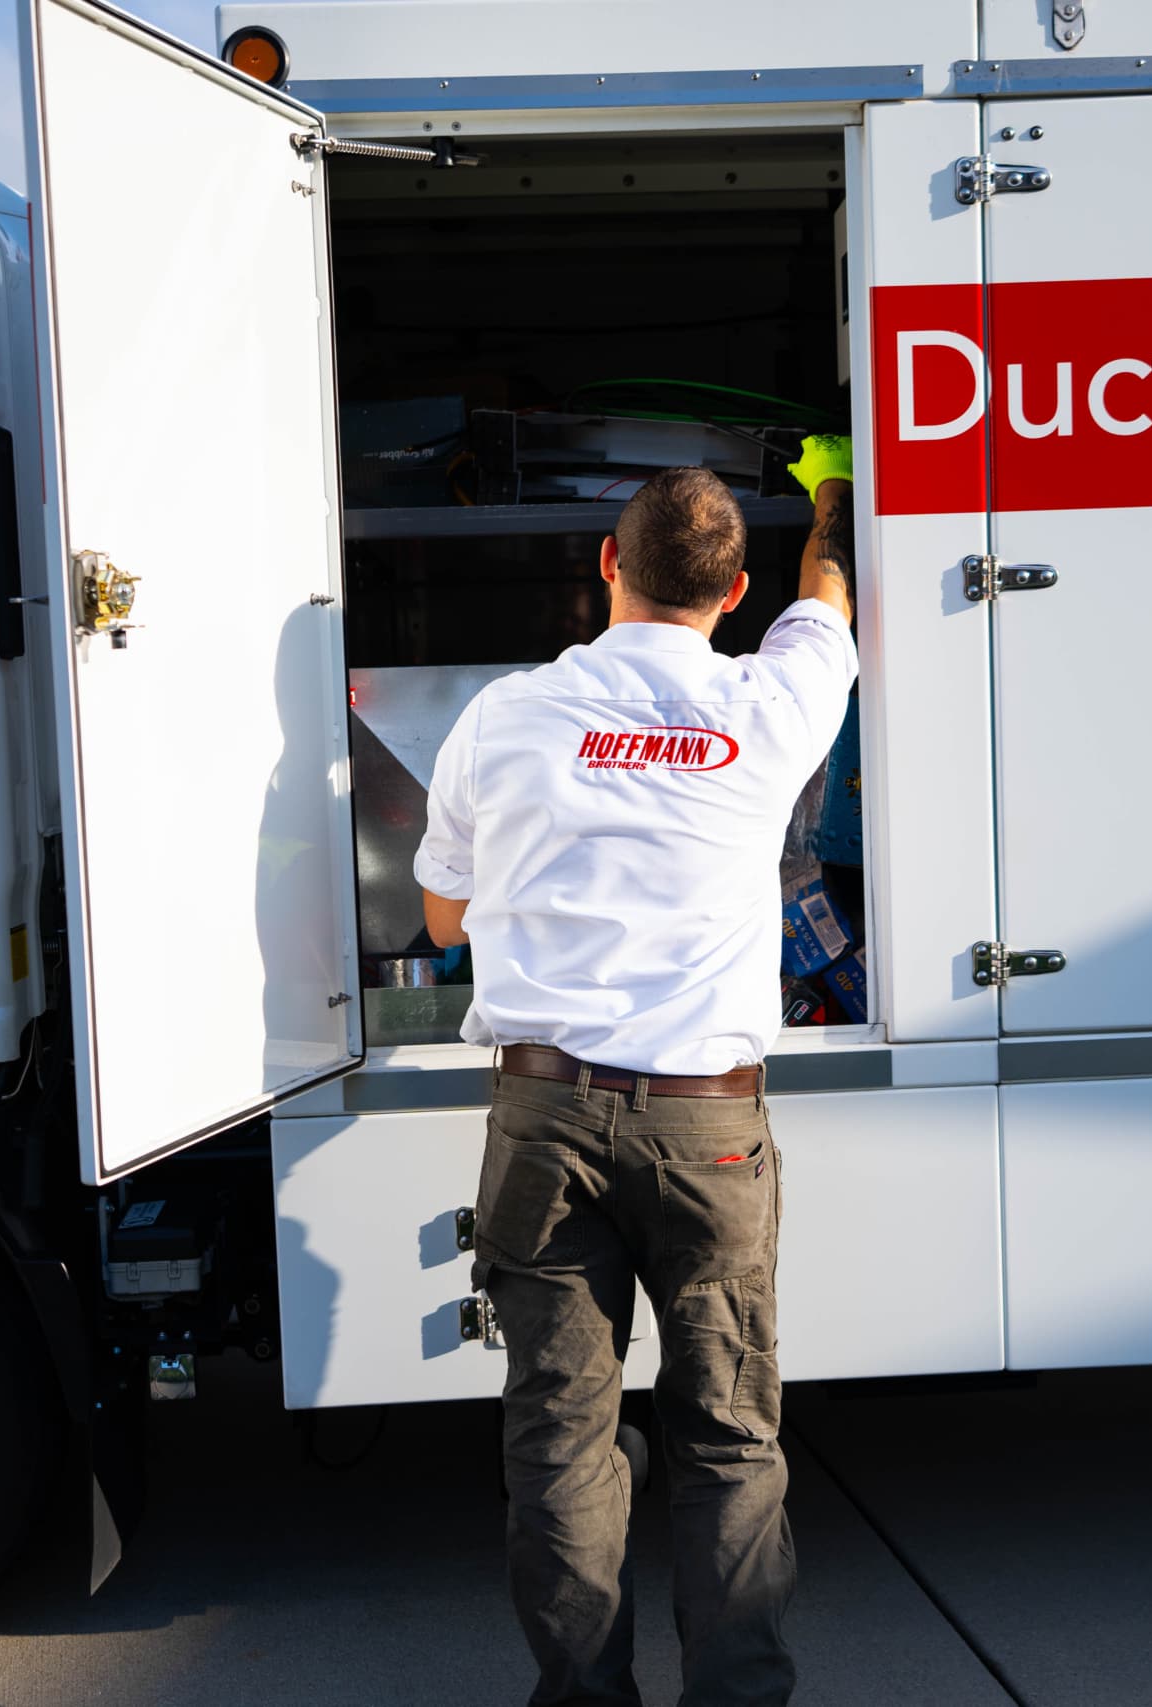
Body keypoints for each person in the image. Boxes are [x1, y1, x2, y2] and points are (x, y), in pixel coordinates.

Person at [413, 440, 858, 1707]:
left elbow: (442, 918)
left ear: (603, 567)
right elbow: (826, 600)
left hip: (545, 1117)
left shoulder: (504, 715)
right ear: (732, 596)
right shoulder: (773, 705)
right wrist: (827, 487)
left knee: (559, 1442)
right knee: (726, 1439)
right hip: (709, 1134)